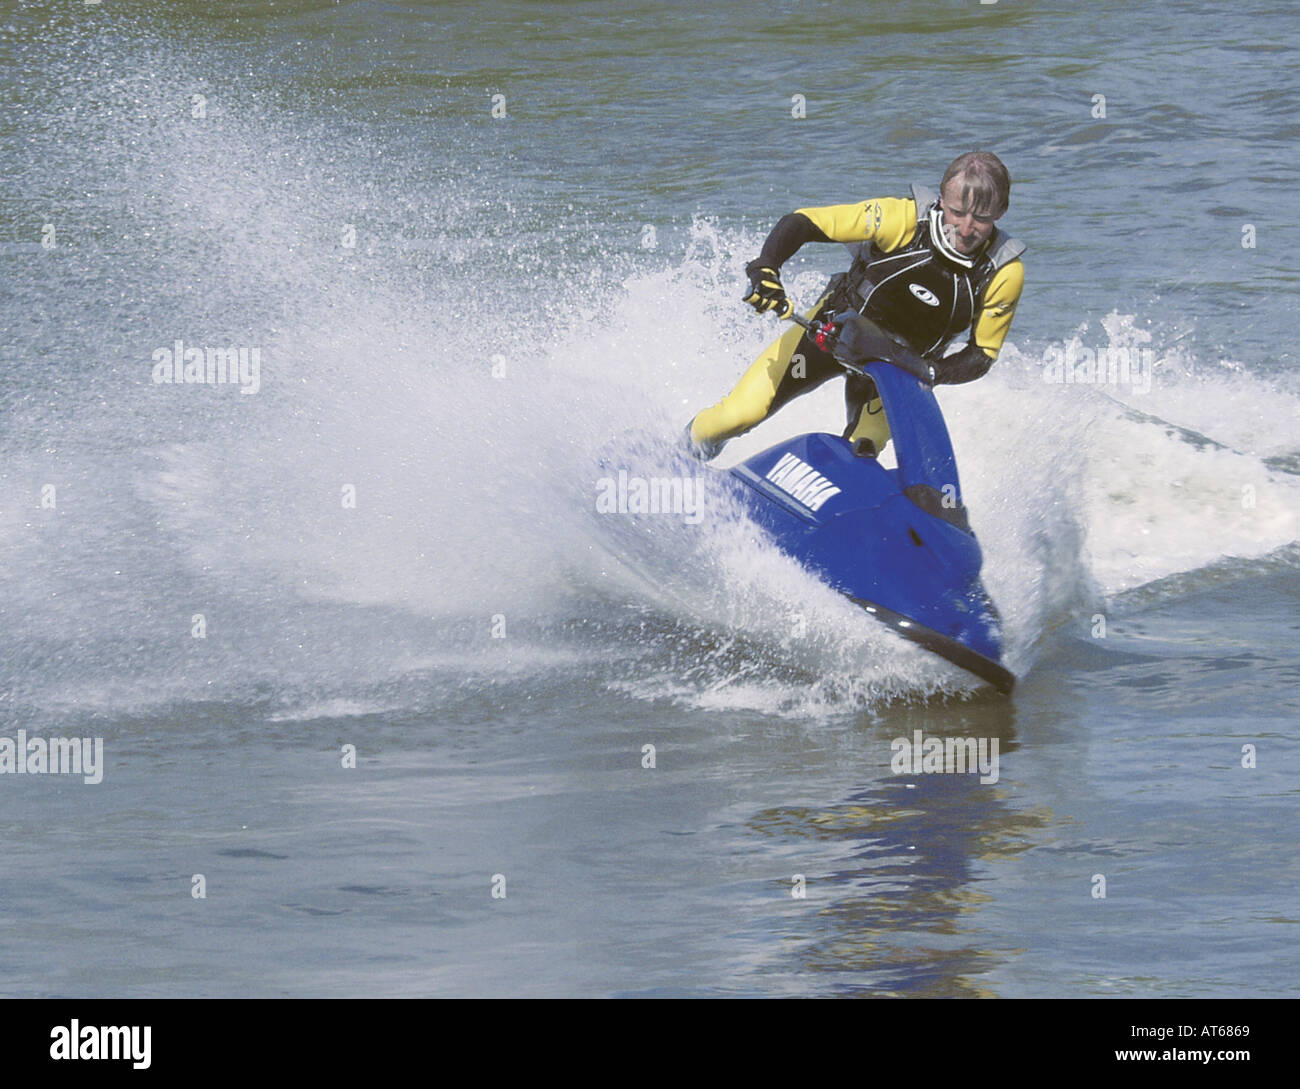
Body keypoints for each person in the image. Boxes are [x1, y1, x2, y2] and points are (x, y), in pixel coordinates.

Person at [683, 150, 1025, 461]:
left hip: (898, 370)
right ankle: (681, 457)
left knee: (863, 449)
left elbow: (981, 354)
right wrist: (766, 267)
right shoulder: (900, 219)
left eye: (980, 217)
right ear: (940, 199)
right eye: (957, 212)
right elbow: (803, 222)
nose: (965, 229)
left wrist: (932, 373)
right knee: (737, 417)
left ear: (1001, 212)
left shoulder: (1003, 272)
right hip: (830, 334)